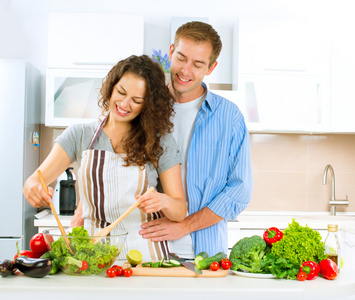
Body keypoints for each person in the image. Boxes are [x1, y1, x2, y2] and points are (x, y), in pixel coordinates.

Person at [23, 55, 193, 261]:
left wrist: (163, 201)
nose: (124, 103)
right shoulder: (79, 134)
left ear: (147, 105)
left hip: (144, 255)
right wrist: (33, 188)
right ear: (112, 87)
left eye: (136, 100)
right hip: (93, 254)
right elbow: (34, 180)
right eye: (121, 92)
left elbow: (179, 210)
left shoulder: (160, 142)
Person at [139, 21, 253, 256]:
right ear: (171, 51)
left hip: (204, 253)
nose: (185, 70)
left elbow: (239, 191)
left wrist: (184, 227)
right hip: (144, 248)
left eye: (198, 64)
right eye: (181, 58)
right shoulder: (143, 108)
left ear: (211, 68)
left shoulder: (228, 117)